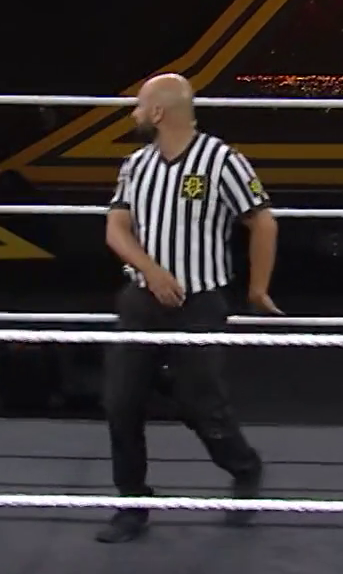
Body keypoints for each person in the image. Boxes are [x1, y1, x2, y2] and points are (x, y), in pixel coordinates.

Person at [97, 73, 280, 544]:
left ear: (158, 112)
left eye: (141, 105)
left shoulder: (221, 160)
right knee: (121, 400)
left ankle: (244, 467)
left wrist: (258, 288)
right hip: (141, 298)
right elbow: (116, 228)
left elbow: (262, 221)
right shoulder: (136, 165)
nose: (135, 113)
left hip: (199, 301)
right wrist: (151, 270)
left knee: (201, 403)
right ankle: (131, 502)